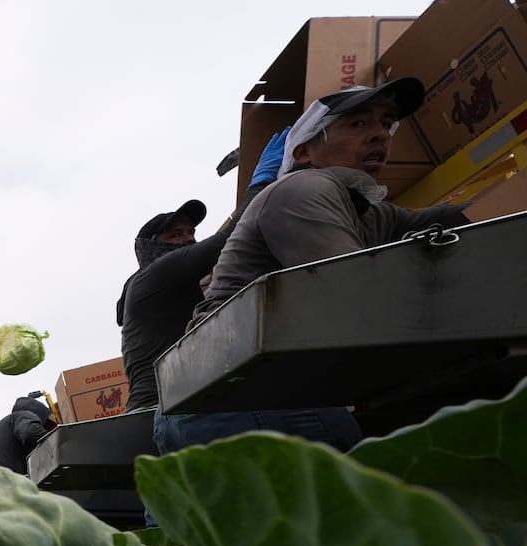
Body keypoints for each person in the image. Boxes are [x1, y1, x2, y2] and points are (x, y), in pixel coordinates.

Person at [157, 77, 472, 457]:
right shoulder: (303, 191)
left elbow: (452, 221)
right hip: (236, 392)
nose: (379, 135)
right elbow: (354, 289)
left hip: (210, 396)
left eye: (385, 123)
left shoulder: (365, 211)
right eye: (358, 124)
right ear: (305, 152)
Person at [117, 129, 289, 414]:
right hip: (163, 407)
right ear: (151, 247)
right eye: (175, 235)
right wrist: (262, 182)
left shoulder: (169, 285)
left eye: (191, 232)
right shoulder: (158, 272)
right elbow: (227, 241)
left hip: (170, 402)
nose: (188, 239)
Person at [0, 391, 56, 474]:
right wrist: (55, 444)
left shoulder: (10, 423)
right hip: (0, 479)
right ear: (40, 414)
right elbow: (29, 432)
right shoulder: (24, 415)